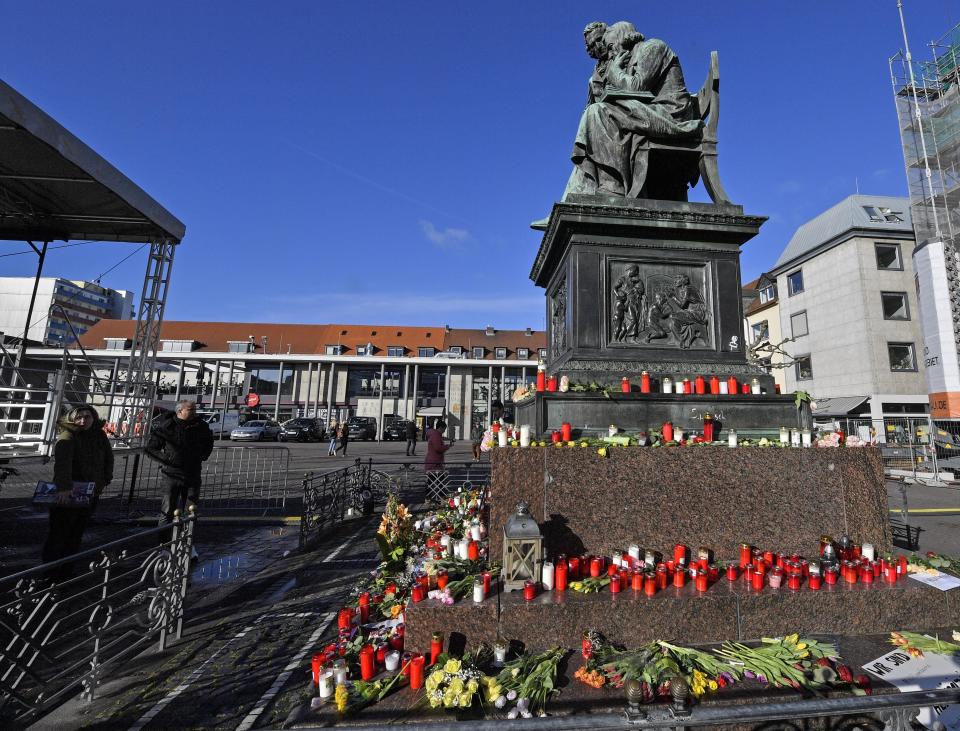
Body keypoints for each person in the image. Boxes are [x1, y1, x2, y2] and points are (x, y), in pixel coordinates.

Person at [564, 21, 701, 200]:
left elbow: (637, 87)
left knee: (597, 113)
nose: (609, 52)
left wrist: (614, 71)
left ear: (623, 36)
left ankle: (613, 187)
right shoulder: (629, 59)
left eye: (610, 46)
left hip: (670, 113)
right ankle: (573, 195)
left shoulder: (653, 47)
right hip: (651, 110)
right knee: (593, 119)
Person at [41, 404, 114, 576]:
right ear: (71, 418)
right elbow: (63, 465)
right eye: (78, 417)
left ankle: (67, 572)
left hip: (91, 492)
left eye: (87, 417)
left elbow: (108, 457)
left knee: (76, 534)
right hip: (69, 492)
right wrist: (64, 488)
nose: (82, 421)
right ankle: (50, 573)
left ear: (93, 418)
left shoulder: (99, 434)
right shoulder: (68, 435)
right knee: (59, 534)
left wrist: (105, 479)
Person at [147, 399, 214, 536]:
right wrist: (168, 460)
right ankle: (164, 543)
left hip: (192, 474)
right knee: (167, 510)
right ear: (180, 411)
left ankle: (186, 543)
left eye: (195, 409)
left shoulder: (201, 426)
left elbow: (209, 442)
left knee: (190, 511)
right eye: (191, 410)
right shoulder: (167, 426)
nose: (194, 412)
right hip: (171, 475)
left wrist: (203, 455)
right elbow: (151, 449)